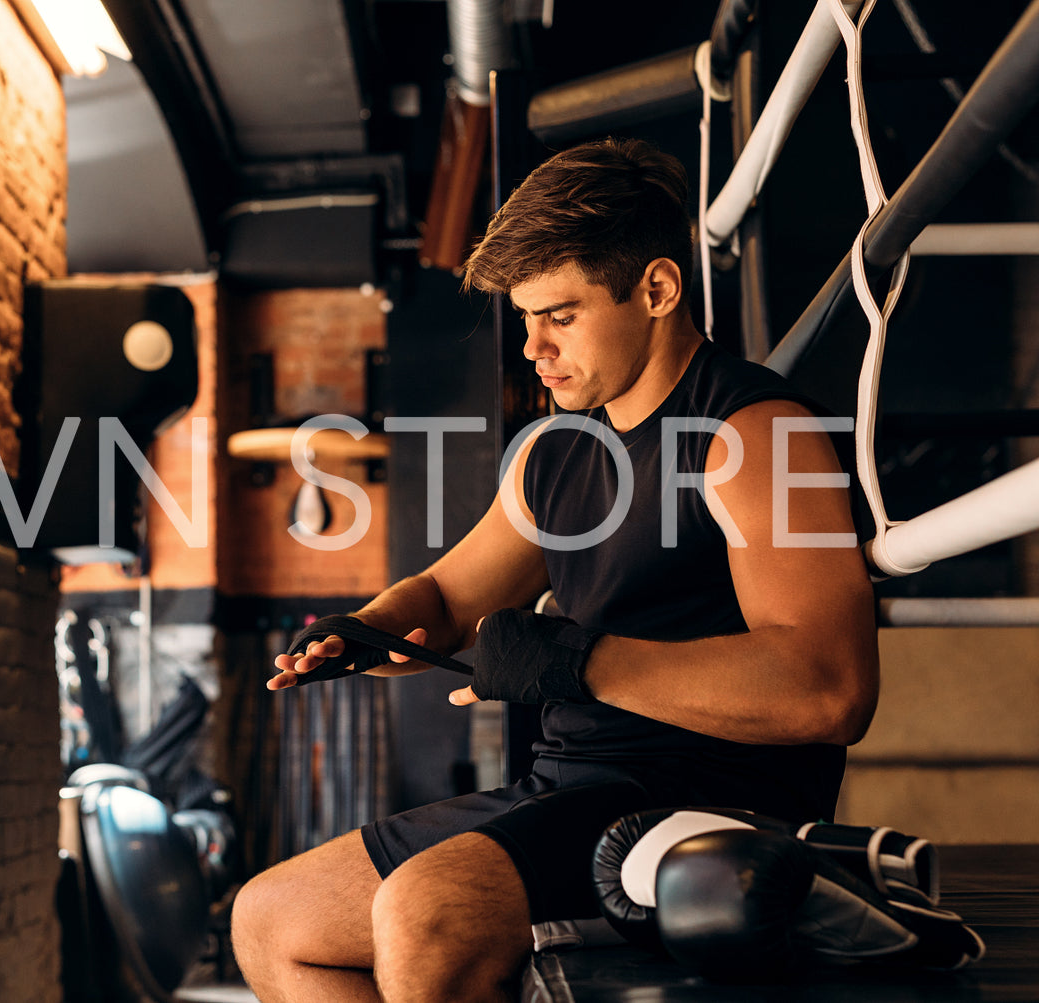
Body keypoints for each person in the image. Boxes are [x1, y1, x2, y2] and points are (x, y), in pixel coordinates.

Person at [229, 136, 879, 1003]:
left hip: (701, 808)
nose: (533, 347)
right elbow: (449, 594)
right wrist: (372, 625)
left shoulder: (752, 433)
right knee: (272, 921)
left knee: (425, 913)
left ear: (655, 289)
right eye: (525, 318)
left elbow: (829, 687)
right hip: (566, 791)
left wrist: (578, 660)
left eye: (560, 315)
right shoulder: (557, 455)